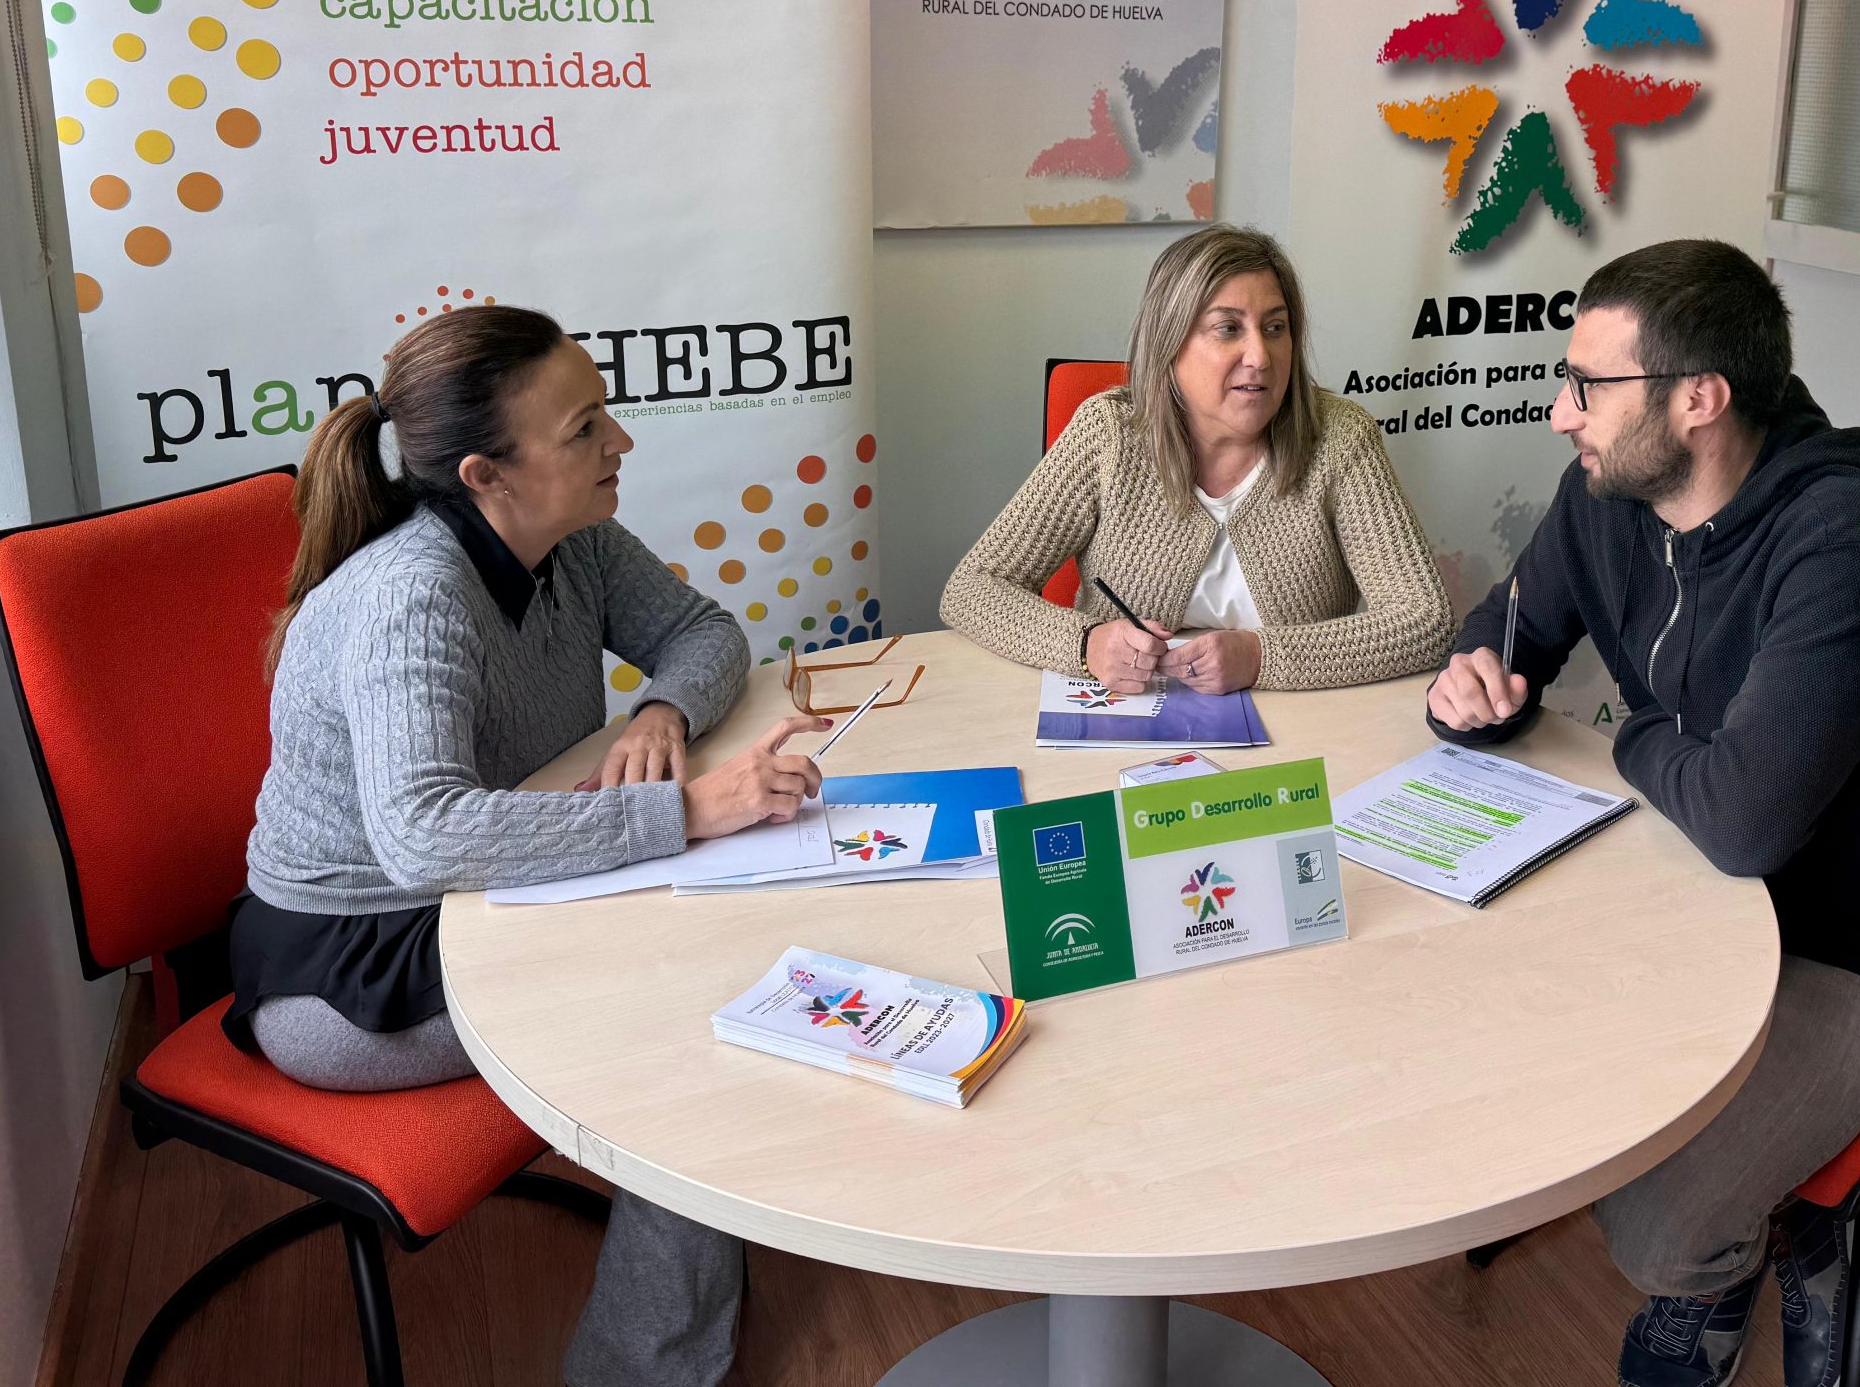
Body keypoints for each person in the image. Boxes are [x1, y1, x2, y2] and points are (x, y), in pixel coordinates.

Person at [232, 303, 827, 1387]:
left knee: (720, 925)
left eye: (603, 412)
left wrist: (661, 716)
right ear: (485, 476)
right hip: (356, 966)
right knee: (685, 1012)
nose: (620, 441)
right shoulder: (413, 597)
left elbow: (703, 632)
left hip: (483, 895)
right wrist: (690, 811)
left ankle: (688, 1284)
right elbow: (422, 836)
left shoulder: (573, 539)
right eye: (584, 427)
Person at [1423, 238, 1860, 1387]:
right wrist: (1470, 681)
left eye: (1587, 386)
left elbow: (1742, 821)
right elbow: (1510, 627)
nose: (1560, 414)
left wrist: (1633, 733)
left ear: (1697, 401)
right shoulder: (1611, 493)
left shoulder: (1844, 544)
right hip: (1677, 892)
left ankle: (1783, 1235)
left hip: (1852, 952)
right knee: (1478, 1064)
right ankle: (1763, 1197)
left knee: (1654, 1229)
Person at [942, 223, 1451, 694]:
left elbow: (1426, 620)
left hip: (1301, 722)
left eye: (1275, 328)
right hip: (1130, 715)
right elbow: (973, 589)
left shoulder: (1340, 437)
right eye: (1228, 329)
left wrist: (1262, 657)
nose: (1260, 356)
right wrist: (1086, 644)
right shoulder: (1109, 434)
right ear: (1170, 342)